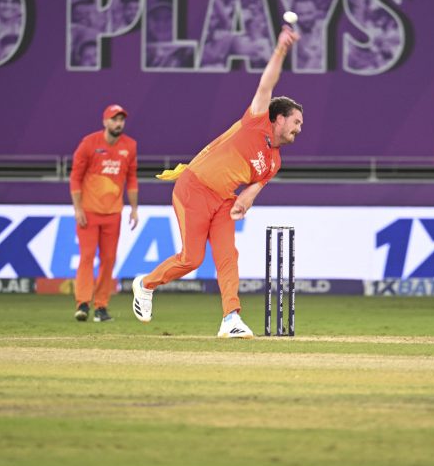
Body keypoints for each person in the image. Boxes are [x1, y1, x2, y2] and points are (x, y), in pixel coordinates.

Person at [132, 25, 302, 338]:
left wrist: (245, 199)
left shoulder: (276, 161)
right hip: (193, 189)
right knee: (191, 259)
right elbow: (268, 82)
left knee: (228, 256)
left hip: (223, 200)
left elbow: (255, 187)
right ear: (278, 118)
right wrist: (281, 49)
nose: (299, 129)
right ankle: (145, 284)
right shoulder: (256, 120)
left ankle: (230, 319)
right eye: (296, 122)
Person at [70, 104, 138, 322]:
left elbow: (132, 179)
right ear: (105, 122)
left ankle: (101, 307)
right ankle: (82, 303)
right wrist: (78, 209)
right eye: (114, 119)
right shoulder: (89, 143)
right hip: (89, 213)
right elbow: (75, 178)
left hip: (113, 214)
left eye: (121, 120)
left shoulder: (130, 146)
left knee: (108, 260)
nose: (118, 123)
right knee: (87, 258)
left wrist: (134, 209)